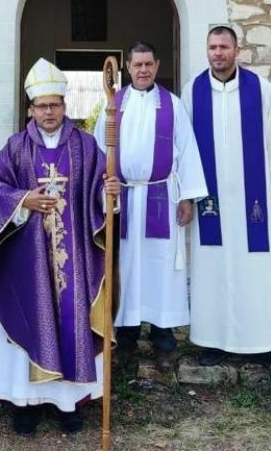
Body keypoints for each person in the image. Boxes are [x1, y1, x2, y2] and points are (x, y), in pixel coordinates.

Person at [0, 58, 120, 437]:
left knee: (70, 318)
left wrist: (109, 193)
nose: (49, 112)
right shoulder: (16, 147)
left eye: (55, 104)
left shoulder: (87, 146)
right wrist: (23, 200)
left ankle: (68, 404)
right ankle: (24, 405)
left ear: (64, 104)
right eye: (42, 106)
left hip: (76, 258)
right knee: (31, 315)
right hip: (27, 258)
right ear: (30, 109)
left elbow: (101, 190)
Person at [94, 41, 207, 372]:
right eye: (137, 64)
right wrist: (103, 188)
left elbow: (186, 150)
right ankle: (126, 342)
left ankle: (164, 343)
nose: (143, 70)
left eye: (148, 64)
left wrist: (187, 196)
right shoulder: (113, 105)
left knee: (160, 272)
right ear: (128, 67)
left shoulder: (172, 105)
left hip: (161, 198)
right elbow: (100, 150)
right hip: (125, 199)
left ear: (157, 65)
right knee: (125, 271)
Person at [183, 26, 271, 371]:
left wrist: (264, 187)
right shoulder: (192, 91)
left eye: (224, 47)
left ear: (236, 50)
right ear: (206, 50)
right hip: (210, 201)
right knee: (211, 268)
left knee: (254, 270)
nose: (218, 53)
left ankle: (262, 342)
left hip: (250, 200)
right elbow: (183, 147)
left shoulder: (260, 90)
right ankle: (213, 341)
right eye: (212, 47)